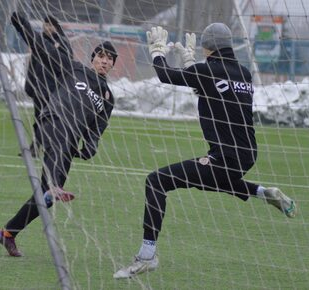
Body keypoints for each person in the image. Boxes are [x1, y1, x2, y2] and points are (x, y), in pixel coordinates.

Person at [113, 24, 297, 279]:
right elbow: (215, 90)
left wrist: (156, 52)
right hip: (247, 154)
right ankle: (262, 192)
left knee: (157, 181)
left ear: (208, 45)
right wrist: (194, 64)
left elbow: (167, 75)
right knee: (213, 180)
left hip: (225, 156)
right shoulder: (244, 73)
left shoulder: (206, 70)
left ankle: (147, 255)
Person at [0, 12, 118, 257]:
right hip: (52, 123)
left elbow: (97, 129)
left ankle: (8, 233)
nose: (104, 61)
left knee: (45, 197)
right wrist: (21, 23)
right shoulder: (74, 69)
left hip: (68, 142)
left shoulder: (108, 98)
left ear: (113, 64)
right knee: (53, 187)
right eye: (101, 56)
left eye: (109, 59)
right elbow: (41, 48)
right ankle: (54, 187)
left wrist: (90, 146)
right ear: (93, 59)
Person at [18, 14, 73, 157]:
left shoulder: (63, 44)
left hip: (54, 90)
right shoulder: (38, 41)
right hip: (39, 89)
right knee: (39, 119)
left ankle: (40, 148)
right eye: (45, 24)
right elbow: (33, 66)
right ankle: (36, 148)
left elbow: (67, 67)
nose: (47, 27)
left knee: (47, 120)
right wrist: (30, 85)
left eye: (50, 25)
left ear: (56, 27)